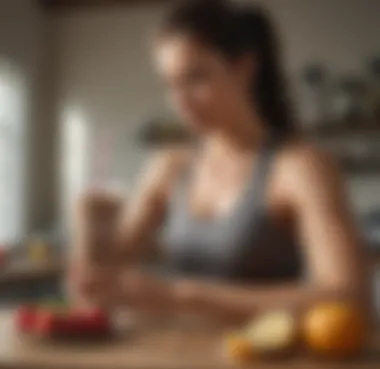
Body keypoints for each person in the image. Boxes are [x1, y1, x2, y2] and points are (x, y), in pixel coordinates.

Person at [75, 0, 370, 323]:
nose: (181, 102)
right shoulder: (169, 168)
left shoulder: (300, 167)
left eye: (196, 79)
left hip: (263, 365)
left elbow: (350, 295)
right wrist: (92, 232)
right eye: (170, 85)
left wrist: (181, 296)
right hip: (174, 363)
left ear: (244, 68)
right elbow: (97, 283)